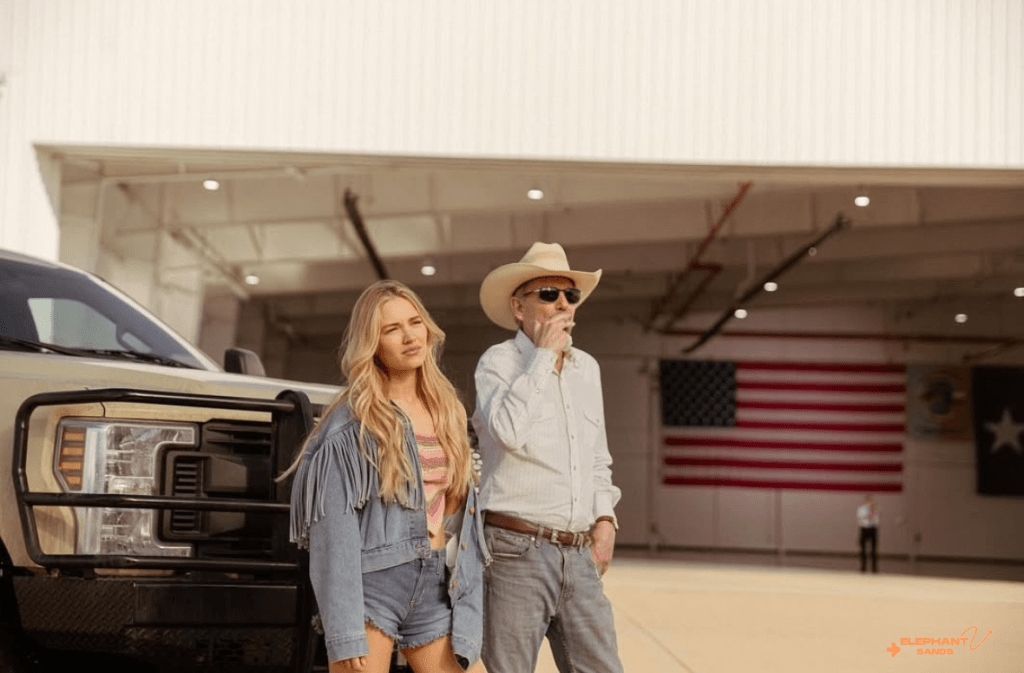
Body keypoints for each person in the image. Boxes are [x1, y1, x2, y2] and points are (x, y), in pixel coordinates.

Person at [283, 280, 489, 673]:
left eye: (415, 322)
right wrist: (343, 628)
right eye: (392, 329)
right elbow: (333, 528)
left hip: (435, 586)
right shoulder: (354, 421)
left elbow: (456, 509)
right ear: (371, 344)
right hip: (372, 587)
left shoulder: (448, 410)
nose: (410, 336)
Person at [472, 242, 623, 673]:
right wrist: (543, 358)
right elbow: (508, 433)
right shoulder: (497, 363)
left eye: (570, 295)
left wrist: (606, 521)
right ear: (519, 308)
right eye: (549, 294)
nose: (562, 303)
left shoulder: (587, 369)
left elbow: (597, 458)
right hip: (514, 550)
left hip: (579, 553)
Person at [856, 494, 880, 573]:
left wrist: (873, 513)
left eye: (871, 500)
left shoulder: (875, 509)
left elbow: (877, 521)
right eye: (868, 501)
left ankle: (874, 567)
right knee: (863, 549)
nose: (870, 502)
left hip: (873, 529)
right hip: (864, 529)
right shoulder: (861, 509)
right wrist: (867, 515)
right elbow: (860, 518)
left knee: (873, 549)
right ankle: (863, 566)